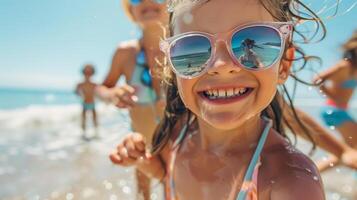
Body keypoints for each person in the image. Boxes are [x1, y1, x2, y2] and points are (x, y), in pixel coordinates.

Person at [109, 0, 332, 199]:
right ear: (172, 68)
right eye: (193, 47)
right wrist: (144, 162)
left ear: (283, 65)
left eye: (250, 40)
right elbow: (170, 177)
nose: (221, 66)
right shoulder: (176, 135)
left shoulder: (290, 182)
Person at [95, 0, 169, 199]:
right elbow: (101, 88)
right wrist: (112, 95)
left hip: (180, 142)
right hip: (141, 145)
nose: (148, 1)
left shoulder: (182, 49)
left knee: (176, 191)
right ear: (131, 11)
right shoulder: (125, 53)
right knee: (142, 193)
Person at [313, 30, 357, 171]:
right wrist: (332, 97)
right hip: (334, 110)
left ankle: (313, 174)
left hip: (339, 111)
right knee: (351, 150)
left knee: (343, 152)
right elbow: (317, 80)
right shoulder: (344, 65)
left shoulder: (353, 69)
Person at [75, 64, 98, 140]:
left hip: (92, 103)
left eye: (89, 72)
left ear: (92, 73)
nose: (87, 74)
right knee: (83, 118)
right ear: (83, 73)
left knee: (94, 117)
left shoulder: (94, 84)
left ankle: (96, 132)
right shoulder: (80, 84)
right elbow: (76, 92)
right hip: (84, 103)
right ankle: (83, 133)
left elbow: (98, 93)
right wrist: (78, 92)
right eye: (86, 72)